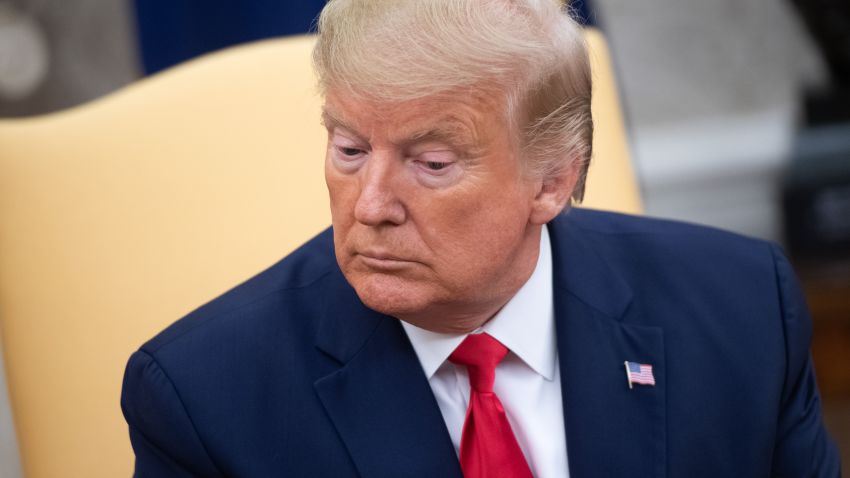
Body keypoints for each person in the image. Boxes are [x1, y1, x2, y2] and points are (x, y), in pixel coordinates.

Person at [121, 0, 841, 476]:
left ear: (553, 181)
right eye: (347, 149)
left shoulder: (742, 313)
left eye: (430, 164)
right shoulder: (202, 400)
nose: (369, 204)